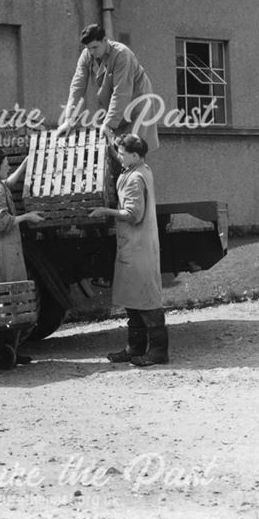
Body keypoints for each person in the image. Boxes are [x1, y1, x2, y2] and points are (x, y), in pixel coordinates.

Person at [54, 24, 159, 205]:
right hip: (116, 108)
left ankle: (136, 205)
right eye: (88, 48)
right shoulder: (87, 56)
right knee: (115, 154)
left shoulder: (122, 54)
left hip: (136, 107)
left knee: (132, 154)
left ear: (105, 41)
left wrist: (108, 124)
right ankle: (119, 202)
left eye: (95, 47)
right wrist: (69, 120)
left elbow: (122, 92)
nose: (91, 52)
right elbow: (77, 86)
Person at [89, 134, 168, 367]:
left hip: (138, 247)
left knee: (146, 300)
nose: (119, 157)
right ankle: (134, 349)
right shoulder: (140, 168)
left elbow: (134, 215)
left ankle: (158, 352)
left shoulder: (135, 178)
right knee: (134, 300)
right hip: (134, 245)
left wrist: (105, 211)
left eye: (122, 153)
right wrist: (113, 144)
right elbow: (123, 156)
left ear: (135, 155)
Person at [0, 147, 45, 366]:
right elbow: (2, 221)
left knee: (9, 302)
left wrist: (26, 163)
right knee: (5, 303)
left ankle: (9, 351)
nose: (8, 167)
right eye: (6, 164)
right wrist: (27, 216)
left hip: (3, 252)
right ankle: (0, 354)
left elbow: (9, 183)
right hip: (2, 255)